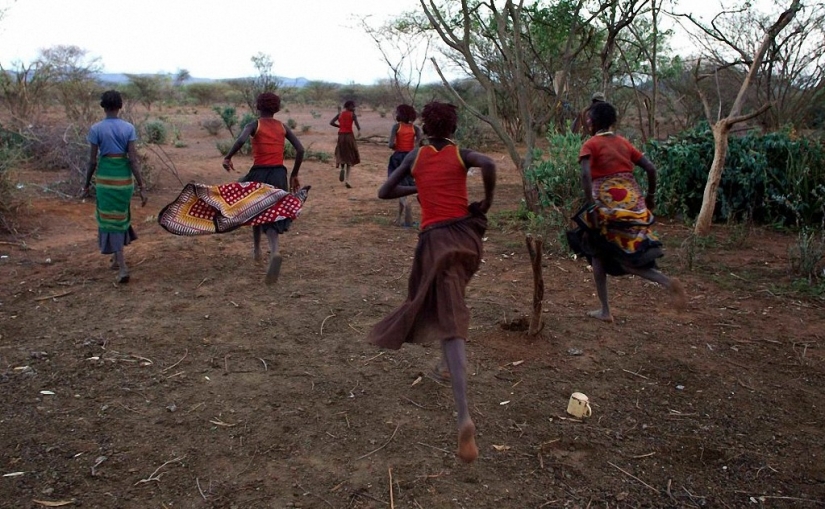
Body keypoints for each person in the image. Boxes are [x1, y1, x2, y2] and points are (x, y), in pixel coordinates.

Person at [367, 101, 496, 464]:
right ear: (454, 127)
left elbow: (383, 192)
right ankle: (443, 366)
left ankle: (463, 416)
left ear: (425, 126)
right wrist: (485, 200)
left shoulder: (415, 158)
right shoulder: (462, 154)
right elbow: (490, 163)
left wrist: (415, 188)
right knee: (447, 300)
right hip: (467, 240)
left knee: (452, 322)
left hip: (436, 242)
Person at [569, 101, 686, 322]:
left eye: (587, 120)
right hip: (633, 205)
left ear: (592, 122)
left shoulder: (590, 145)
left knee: (623, 259)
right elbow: (650, 168)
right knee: (598, 253)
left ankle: (666, 282)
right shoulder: (623, 143)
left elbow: (585, 176)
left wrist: (591, 206)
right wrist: (650, 197)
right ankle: (605, 310)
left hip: (607, 207)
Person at [222, 92, 304, 285]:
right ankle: (272, 251)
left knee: (255, 211)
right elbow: (300, 149)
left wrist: (228, 157)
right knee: (272, 214)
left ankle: (257, 249)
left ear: (258, 106)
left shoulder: (253, 125)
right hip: (279, 175)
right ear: (276, 108)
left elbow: (241, 140)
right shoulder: (282, 127)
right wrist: (294, 174)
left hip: (258, 174)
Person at [81, 90, 147, 284]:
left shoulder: (96, 129)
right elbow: (133, 160)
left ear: (103, 106)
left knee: (109, 219)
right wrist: (142, 186)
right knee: (120, 216)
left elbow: (92, 162)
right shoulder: (128, 128)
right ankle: (116, 260)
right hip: (124, 180)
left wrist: (86, 185)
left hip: (105, 179)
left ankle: (123, 266)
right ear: (120, 106)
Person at [387, 104, 423, 227]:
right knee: (406, 185)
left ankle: (407, 210)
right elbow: (420, 144)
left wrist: (397, 146)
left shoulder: (396, 127)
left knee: (398, 185)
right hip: (412, 158)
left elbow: (390, 144)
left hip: (398, 158)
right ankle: (399, 217)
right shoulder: (416, 129)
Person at [329, 100, 361, 188]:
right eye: (353, 106)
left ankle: (342, 168)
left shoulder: (340, 114)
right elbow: (358, 125)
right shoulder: (352, 115)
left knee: (342, 153)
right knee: (350, 155)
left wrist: (340, 126)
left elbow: (331, 122)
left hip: (341, 136)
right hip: (349, 136)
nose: (354, 108)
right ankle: (347, 179)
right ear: (349, 106)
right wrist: (359, 131)